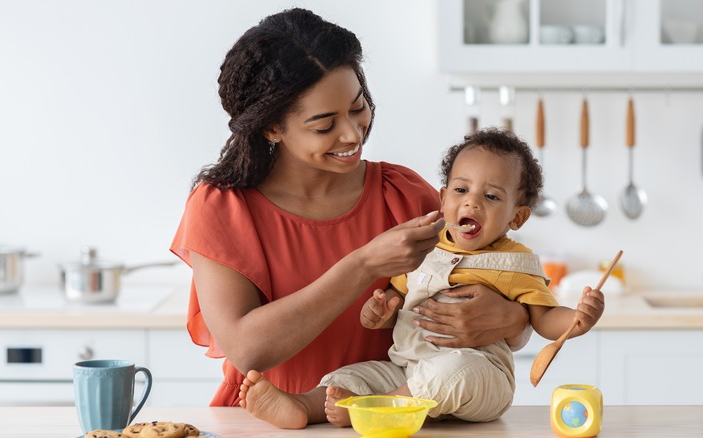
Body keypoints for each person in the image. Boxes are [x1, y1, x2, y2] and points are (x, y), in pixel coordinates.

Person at [169, 7, 531, 421]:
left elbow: (504, 302)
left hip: (387, 423)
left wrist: (511, 317)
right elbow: (248, 348)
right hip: (266, 425)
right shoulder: (224, 207)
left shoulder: (404, 194)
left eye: (358, 107)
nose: (352, 134)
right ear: (271, 128)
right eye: (324, 126)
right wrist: (364, 263)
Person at [238, 127, 605, 427]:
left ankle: (379, 409)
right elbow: (393, 302)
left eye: (491, 196)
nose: (472, 202)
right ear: (443, 199)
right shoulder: (423, 246)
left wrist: (578, 318)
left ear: (517, 217)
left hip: (480, 376)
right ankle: (305, 406)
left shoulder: (515, 262)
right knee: (353, 376)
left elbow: (542, 321)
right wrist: (378, 312)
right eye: (461, 190)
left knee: (457, 370)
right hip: (406, 368)